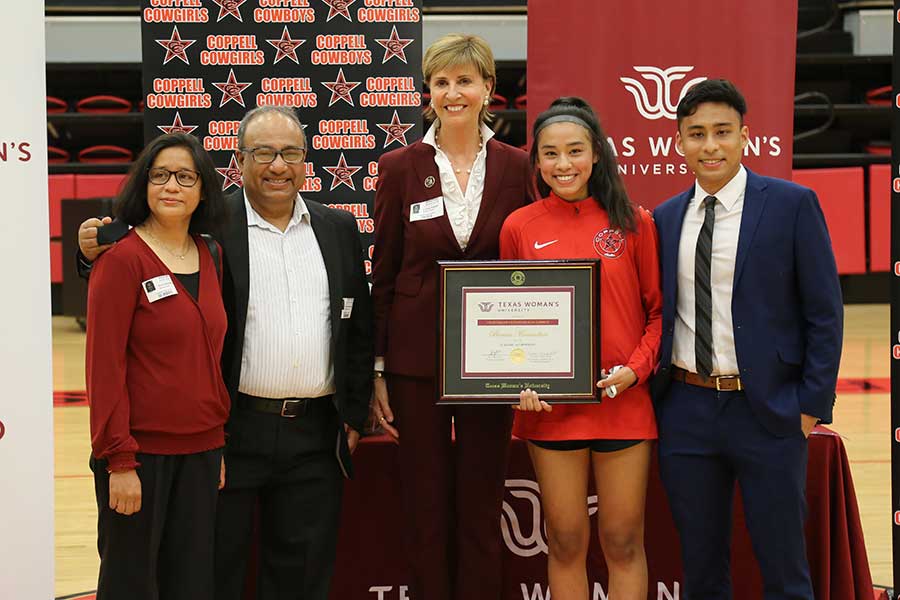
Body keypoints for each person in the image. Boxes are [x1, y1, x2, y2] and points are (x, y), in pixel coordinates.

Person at [78, 105, 374, 600]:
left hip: (315, 434)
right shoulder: (212, 229)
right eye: (263, 152)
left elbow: (359, 324)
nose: (277, 165)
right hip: (234, 431)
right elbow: (142, 258)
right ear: (239, 160)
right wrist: (89, 253)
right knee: (213, 573)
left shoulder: (338, 228)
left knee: (302, 576)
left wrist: (355, 411)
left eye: (290, 153)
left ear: (306, 161)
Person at [652, 79, 843, 599]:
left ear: (745, 136)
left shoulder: (791, 204)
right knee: (701, 570)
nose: (710, 145)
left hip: (769, 411)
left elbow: (825, 313)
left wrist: (810, 406)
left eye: (722, 132)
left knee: (784, 570)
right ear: (679, 142)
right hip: (686, 410)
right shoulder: (664, 218)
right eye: (696, 134)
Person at [371, 33, 534, 600]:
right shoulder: (398, 167)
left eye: (464, 80)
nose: (453, 92)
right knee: (425, 506)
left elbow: (531, 269)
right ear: (429, 92)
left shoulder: (519, 166)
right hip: (415, 362)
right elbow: (385, 273)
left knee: (482, 503)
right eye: (441, 82)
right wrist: (378, 367)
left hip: (493, 361)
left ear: (488, 87)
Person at [500, 97, 661, 600]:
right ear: (537, 161)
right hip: (550, 410)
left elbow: (658, 315)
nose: (563, 164)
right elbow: (509, 321)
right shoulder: (519, 227)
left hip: (622, 404)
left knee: (623, 540)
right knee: (566, 541)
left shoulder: (634, 222)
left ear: (596, 154)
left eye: (574, 151)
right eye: (550, 153)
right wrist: (517, 380)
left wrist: (634, 371)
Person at [85, 132, 229, 600]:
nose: (171, 185)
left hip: (202, 453)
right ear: (143, 184)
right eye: (160, 175)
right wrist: (119, 461)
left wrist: (216, 444)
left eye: (185, 177)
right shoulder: (121, 259)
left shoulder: (211, 254)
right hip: (138, 458)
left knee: (190, 585)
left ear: (203, 190)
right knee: (131, 586)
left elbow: (211, 360)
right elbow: (103, 369)